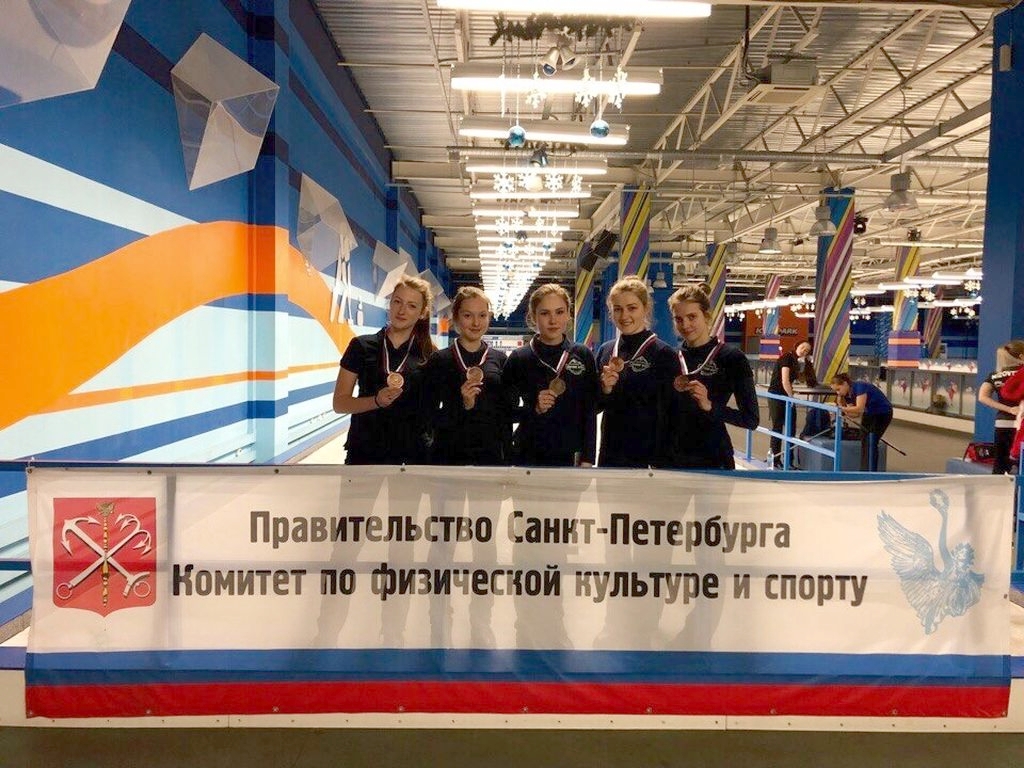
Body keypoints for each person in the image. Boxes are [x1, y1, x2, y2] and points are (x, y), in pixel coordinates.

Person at [332, 274, 437, 464]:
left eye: (412, 306)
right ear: (390, 304)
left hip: (413, 455)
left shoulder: (430, 355)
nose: (402, 310)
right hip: (365, 451)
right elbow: (340, 403)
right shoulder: (361, 346)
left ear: (422, 313)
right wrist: (376, 401)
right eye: (397, 302)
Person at [660, 285, 759, 469]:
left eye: (692, 317)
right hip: (673, 458)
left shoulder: (731, 358)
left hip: (714, 457)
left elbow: (751, 419)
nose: (685, 325)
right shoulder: (670, 358)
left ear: (706, 316)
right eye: (679, 319)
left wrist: (710, 406)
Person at [501, 283, 598, 467]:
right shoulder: (519, 358)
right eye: (545, 313)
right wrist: (534, 409)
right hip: (527, 453)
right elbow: (505, 412)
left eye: (559, 312)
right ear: (533, 317)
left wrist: (588, 458)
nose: (553, 320)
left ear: (568, 314)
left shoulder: (582, 354)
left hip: (570, 455)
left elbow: (589, 409)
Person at [422, 286, 512, 465]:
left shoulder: (500, 359)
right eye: (468, 315)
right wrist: (463, 405)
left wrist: (508, 455)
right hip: (449, 454)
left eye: (482, 315)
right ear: (456, 318)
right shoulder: (439, 360)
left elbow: (505, 413)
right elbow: (427, 414)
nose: (476, 323)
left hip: (490, 455)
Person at [594, 276, 678, 467]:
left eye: (632, 308)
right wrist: (604, 389)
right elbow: (594, 407)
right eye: (618, 309)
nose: (624, 316)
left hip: (650, 458)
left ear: (645, 308)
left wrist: (664, 460)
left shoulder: (663, 354)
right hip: (611, 453)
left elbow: (673, 414)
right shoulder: (606, 351)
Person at [829, 372, 893, 472]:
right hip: (870, 413)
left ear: (845, 384)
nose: (838, 393)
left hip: (883, 413)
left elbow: (859, 408)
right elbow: (855, 415)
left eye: (838, 389)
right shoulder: (847, 395)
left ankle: (872, 471)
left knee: (872, 441)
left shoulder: (860, 387)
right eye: (835, 391)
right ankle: (864, 469)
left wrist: (840, 408)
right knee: (864, 440)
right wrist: (843, 411)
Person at [977, 340, 1024, 474]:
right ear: (1021, 356)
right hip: (1022, 425)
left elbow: (982, 397)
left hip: (1003, 423)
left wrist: (1008, 409)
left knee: (1000, 465)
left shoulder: (995, 375)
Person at [767, 340, 813, 468]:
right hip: (776, 395)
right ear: (796, 346)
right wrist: (791, 397)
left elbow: (800, 379)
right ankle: (775, 460)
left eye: (807, 350)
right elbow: (785, 380)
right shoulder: (787, 357)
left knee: (791, 429)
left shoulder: (796, 361)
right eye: (802, 347)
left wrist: (808, 367)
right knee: (777, 428)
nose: (804, 351)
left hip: (786, 396)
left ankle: (789, 461)